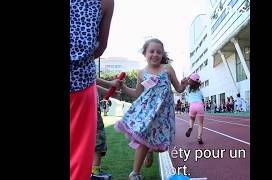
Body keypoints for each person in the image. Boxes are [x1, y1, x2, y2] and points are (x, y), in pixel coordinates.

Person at [114, 38, 188, 180]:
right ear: (145, 53)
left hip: (163, 114)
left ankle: (150, 151)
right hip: (146, 112)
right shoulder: (141, 72)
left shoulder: (167, 68)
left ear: (162, 55)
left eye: (159, 52)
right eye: (151, 51)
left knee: (159, 146)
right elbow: (136, 94)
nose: (155, 54)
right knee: (143, 140)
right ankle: (134, 173)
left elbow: (178, 88)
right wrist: (123, 87)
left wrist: (184, 85)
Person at [70, 0, 115, 180]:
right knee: (79, 155)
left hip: (83, 83)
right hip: (82, 81)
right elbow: (100, 47)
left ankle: (95, 170)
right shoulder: (105, 2)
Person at [184, 73, 205, 144]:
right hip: (200, 105)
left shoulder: (188, 89)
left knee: (191, 119)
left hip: (192, 106)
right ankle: (199, 137)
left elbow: (186, 81)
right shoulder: (199, 90)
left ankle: (190, 127)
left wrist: (189, 77)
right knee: (200, 123)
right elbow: (202, 99)